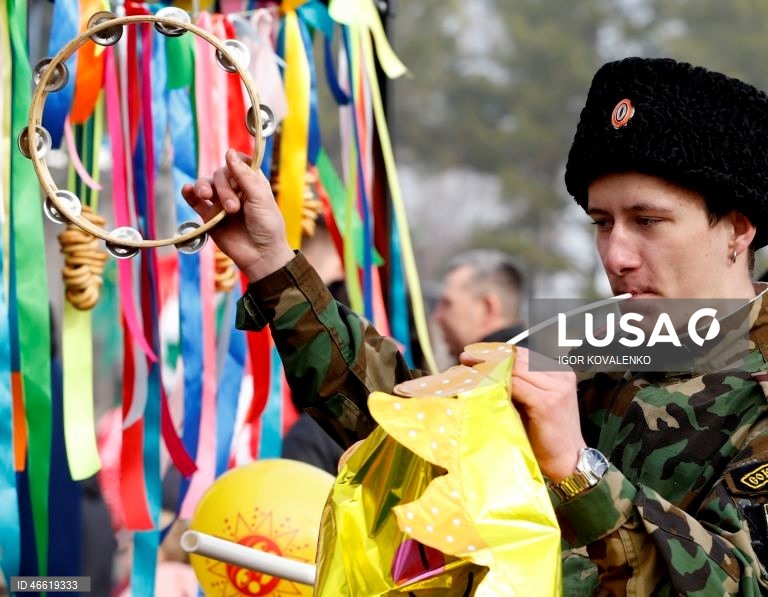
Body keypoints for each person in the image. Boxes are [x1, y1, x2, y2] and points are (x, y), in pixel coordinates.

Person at [182, 57, 768, 594]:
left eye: (648, 221)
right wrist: (273, 265)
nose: (617, 254)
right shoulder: (589, 344)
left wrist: (578, 472)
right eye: (601, 222)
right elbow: (408, 431)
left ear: (738, 229)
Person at [432, 249, 526, 361]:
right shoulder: (536, 368)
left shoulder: (494, 374)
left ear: (488, 308)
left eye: (448, 304)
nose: (437, 316)